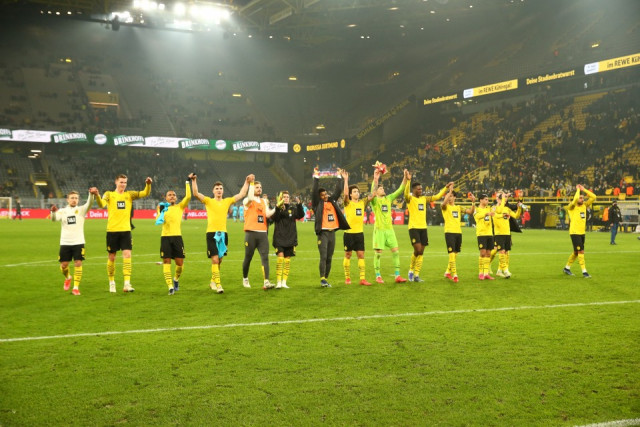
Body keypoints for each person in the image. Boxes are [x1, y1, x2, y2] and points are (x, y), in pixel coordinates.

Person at [192, 173, 253, 294]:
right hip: (211, 233)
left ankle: (212, 281)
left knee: (219, 260)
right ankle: (219, 285)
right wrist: (193, 180)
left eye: (221, 188)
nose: (219, 190)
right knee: (215, 260)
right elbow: (196, 193)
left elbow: (242, 194)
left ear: (223, 191)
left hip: (223, 234)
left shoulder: (227, 201)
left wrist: (247, 182)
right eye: (217, 188)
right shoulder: (208, 201)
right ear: (213, 191)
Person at [95, 174, 152, 293]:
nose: (123, 184)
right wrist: (97, 195)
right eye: (121, 182)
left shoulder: (129, 195)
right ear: (116, 182)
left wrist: (148, 184)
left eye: (125, 182)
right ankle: (112, 282)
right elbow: (101, 204)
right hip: (112, 231)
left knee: (127, 255)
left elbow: (145, 193)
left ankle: (127, 283)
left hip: (126, 231)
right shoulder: (109, 194)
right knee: (112, 257)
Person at [404, 175, 452, 282]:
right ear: (414, 190)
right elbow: (406, 193)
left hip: (423, 228)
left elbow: (437, 196)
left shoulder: (424, 199)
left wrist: (446, 187)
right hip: (413, 228)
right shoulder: (410, 199)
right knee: (417, 249)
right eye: (418, 189)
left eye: (421, 189)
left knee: (421, 252)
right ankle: (411, 270)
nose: (421, 190)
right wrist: (408, 181)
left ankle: (416, 275)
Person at [50, 189, 96, 295]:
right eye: (72, 198)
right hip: (65, 242)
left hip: (78, 241)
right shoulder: (62, 211)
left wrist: (91, 194)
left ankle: (76, 288)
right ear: (67, 199)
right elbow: (54, 219)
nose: (74, 200)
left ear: (78, 200)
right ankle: (68, 277)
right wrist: (53, 212)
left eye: (76, 198)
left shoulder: (81, 210)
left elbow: (89, 203)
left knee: (78, 263)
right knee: (64, 265)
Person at [312, 168, 350, 288]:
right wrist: (316, 178)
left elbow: (338, 191)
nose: (325, 196)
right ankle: (322, 279)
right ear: (319, 197)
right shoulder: (317, 204)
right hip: (323, 234)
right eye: (322, 195)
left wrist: (339, 177)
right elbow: (314, 192)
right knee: (323, 256)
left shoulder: (332, 201)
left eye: (326, 194)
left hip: (332, 233)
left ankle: (326, 279)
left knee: (329, 257)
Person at [370, 167, 409, 283]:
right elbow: (372, 191)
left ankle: (397, 276)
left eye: (383, 188)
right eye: (380, 188)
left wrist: (405, 177)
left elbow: (400, 189)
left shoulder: (388, 199)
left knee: (396, 251)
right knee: (378, 254)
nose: (383, 189)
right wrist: (375, 178)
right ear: (376, 192)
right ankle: (378, 276)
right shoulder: (374, 201)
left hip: (390, 230)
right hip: (379, 230)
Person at [156, 178, 192, 295]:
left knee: (180, 264)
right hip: (165, 237)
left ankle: (175, 279)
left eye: (174, 195)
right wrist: (161, 212)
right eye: (169, 195)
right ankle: (170, 287)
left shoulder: (180, 206)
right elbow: (158, 219)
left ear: (176, 198)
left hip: (177, 237)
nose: (172, 196)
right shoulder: (162, 207)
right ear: (166, 198)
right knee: (166, 261)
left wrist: (187, 182)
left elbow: (188, 196)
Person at [242, 180, 275, 290]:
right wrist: (251, 184)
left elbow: (268, 214)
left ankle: (266, 282)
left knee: (265, 257)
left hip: (262, 234)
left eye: (260, 187)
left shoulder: (263, 201)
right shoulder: (247, 200)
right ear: (252, 189)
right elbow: (250, 197)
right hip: (250, 233)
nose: (259, 189)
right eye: (257, 187)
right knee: (248, 258)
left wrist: (277, 207)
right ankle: (245, 278)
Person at [342, 170, 373, 286]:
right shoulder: (347, 203)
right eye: (354, 191)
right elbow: (345, 194)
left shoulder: (362, 203)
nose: (357, 193)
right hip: (349, 234)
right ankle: (347, 278)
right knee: (348, 255)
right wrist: (346, 180)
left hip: (359, 233)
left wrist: (375, 178)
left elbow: (373, 194)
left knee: (361, 255)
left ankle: (362, 279)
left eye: (358, 191)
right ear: (351, 194)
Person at [271, 191, 305, 289]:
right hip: (279, 237)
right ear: (281, 198)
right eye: (284, 197)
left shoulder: (292, 208)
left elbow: (301, 215)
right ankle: (278, 282)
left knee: (287, 261)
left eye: (287, 197)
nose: (286, 198)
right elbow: (275, 218)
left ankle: (284, 282)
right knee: (280, 259)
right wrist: (278, 208)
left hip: (290, 238)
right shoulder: (277, 208)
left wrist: (299, 204)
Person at [441, 189, 475, 283]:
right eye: (448, 196)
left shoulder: (459, 207)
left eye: (451, 196)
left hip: (458, 232)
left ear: (455, 197)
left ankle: (447, 272)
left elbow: (470, 212)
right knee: (451, 253)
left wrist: (473, 202)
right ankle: (455, 274)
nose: (449, 198)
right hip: (449, 232)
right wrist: (450, 191)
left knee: (455, 253)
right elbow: (443, 204)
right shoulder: (445, 207)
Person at [563, 184, 596, 278]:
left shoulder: (584, 205)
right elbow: (575, 200)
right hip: (574, 232)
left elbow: (594, 197)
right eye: (580, 198)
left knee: (576, 252)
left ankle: (567, 268)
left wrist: (584, 189)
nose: (583, 199)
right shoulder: (571, 207)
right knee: (581, 251)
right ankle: (584, 272)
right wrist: (577, 190)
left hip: (582, 232)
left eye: (583, 198)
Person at [493, 192, 522, 279]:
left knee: (505, 252)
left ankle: (500, 271)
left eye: (505, 199)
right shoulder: (494, 208)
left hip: (507, 233)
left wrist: (519, 208)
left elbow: (516, 216)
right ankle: (505, 270)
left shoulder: (507, 209)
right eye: (502, 198)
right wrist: (503, 215)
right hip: (499, 233)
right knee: (501, 251)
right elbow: (496, 215)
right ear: (498, 199)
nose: (504, 200)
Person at [473, 194, 496, 280]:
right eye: (486, 199)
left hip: (489, 233)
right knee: (482, 253)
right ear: (481, 200)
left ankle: (486, 273)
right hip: (481, 234)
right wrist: (486, 214)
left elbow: (495, 210)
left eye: (488, 199)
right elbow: (477, 216)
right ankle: (480, 273)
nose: (487, 201)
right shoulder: (476, 209)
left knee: (488, 253)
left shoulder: (489, 208)